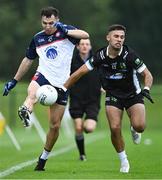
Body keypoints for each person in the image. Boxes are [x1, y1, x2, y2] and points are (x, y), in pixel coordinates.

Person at [3, 6, 89, 171]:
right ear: (41, 21)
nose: (47, 26)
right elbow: (28, 59)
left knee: (54, 126)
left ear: (57, 20)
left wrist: (66, 30)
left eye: (51, 23)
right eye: (44, 23)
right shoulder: (37, 38)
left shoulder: (67, 32)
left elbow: (85, 35)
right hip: (43, 76)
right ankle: (26, 110)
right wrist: (14, 80)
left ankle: (43, 159)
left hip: (62, 84)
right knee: (32, 93)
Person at [63, 24, 154, 173]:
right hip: (112, 95)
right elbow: (79, 73)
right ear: (108, 38)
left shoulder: (130, 55)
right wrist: (64, 88)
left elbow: (147, 75)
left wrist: (146, 89)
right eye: (116, 36)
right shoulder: (99, 56)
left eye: (122, 37)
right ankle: (124, 160)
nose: (119, 40)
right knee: (114, 127)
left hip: (133, 94)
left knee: (140, 126)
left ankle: (133, 128)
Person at [69, 39, 101, 161]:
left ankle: (84, 127)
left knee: (89, 128)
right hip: (76, 99)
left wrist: (104, 85)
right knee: (78, 127)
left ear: (90, 46)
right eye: (82, 44)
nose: (84, 46)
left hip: (93, 100)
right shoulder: (72, 61)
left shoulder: (97, 61)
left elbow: (103, 74)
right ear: (77, 46)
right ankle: (82, 155)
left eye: (87, 44)